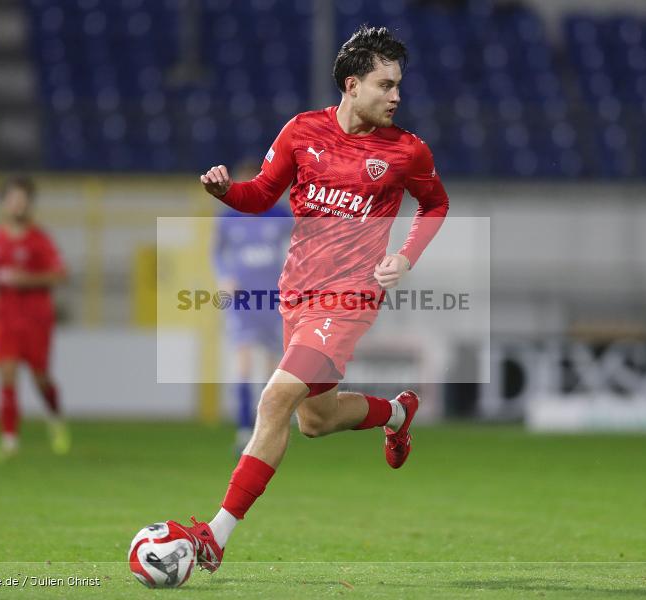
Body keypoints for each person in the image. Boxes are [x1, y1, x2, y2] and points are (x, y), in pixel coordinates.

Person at [156, 25, 449, 578]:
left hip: (350, 297)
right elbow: (261, 194)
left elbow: (435, 205)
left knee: (275, 400)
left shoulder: (406, 150)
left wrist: (406, 256)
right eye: (386, 85)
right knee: (313, 420)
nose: (396, 97)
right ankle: (397, 412)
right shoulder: (301, 132)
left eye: (399, 87)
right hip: (298, 293)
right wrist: (225, 193)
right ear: (352, 83)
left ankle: (215, 536)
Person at [0, 176, 70, 462]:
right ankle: (9, 441)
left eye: (22, 199)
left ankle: (55, 418)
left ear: (28, 204)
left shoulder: (39, 239)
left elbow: (60, 274)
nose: (17, 204)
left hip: (36, 318)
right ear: (4, 203)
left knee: (40, 378)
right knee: (6, 372)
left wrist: (25, 279)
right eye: (12, 198)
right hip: (5, 316)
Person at [213, 160, 292, 455]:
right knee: (244, 363)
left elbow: (301, 244)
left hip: (273, 297)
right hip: (243, 299)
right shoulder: (228, 217)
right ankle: (244, 429)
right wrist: (223, 277)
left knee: (273, 369)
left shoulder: (280, 214)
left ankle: (268, 429)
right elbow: (217, 253)